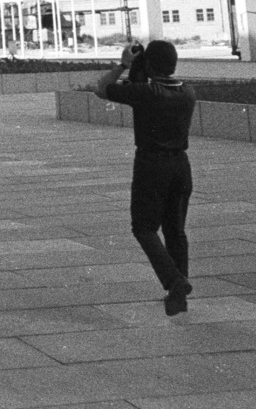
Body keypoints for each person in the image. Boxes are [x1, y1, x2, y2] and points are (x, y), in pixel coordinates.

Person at [95, 39, 197, 315]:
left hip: (151, 165)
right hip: (181, 166)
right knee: (175, 231)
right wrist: (143, 69)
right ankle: (178, 297)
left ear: (150, 65)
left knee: (143, 228)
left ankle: (175, 281)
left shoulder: (146, 93)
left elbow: (102, 89)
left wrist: (124, 65)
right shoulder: (188, 91)